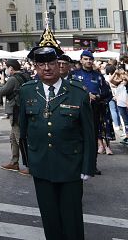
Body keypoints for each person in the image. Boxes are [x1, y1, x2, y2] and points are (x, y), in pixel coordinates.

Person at [19, 46, 95, 240]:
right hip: (41, 165)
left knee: (72, 219)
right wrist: (29, 162)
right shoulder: (27, 91)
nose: (47, 68)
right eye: (41, 64)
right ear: (35, 67)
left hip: (71, 166)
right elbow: (24, 131)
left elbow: (89, 134)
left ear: (59, 65)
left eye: (51, 63)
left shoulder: (77, 93)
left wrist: (88, 166)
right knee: (49, 218)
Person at [70, 50, 114, 156]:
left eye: (90, 59)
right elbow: (68, 91)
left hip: (94, 110)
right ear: (81, 60)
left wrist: (98, 96)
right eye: (85, 59)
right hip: (77, 111)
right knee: (78, 137)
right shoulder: (73, 75)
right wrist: (85, 95)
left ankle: (92, 165)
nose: (88, 61)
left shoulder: (98, 75)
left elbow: (107, 92)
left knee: (92, 137)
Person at [0, 60, 31, 174]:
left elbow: (2, 92)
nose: (5, 70)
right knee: (13, 138)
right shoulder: (26, 75)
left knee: (20, 138)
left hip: (16, 110)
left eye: (6, 68)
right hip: (24, 109)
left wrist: (2, 82)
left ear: (11, 68)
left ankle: (30, 165)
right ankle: (14, 162)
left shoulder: (12, 79)